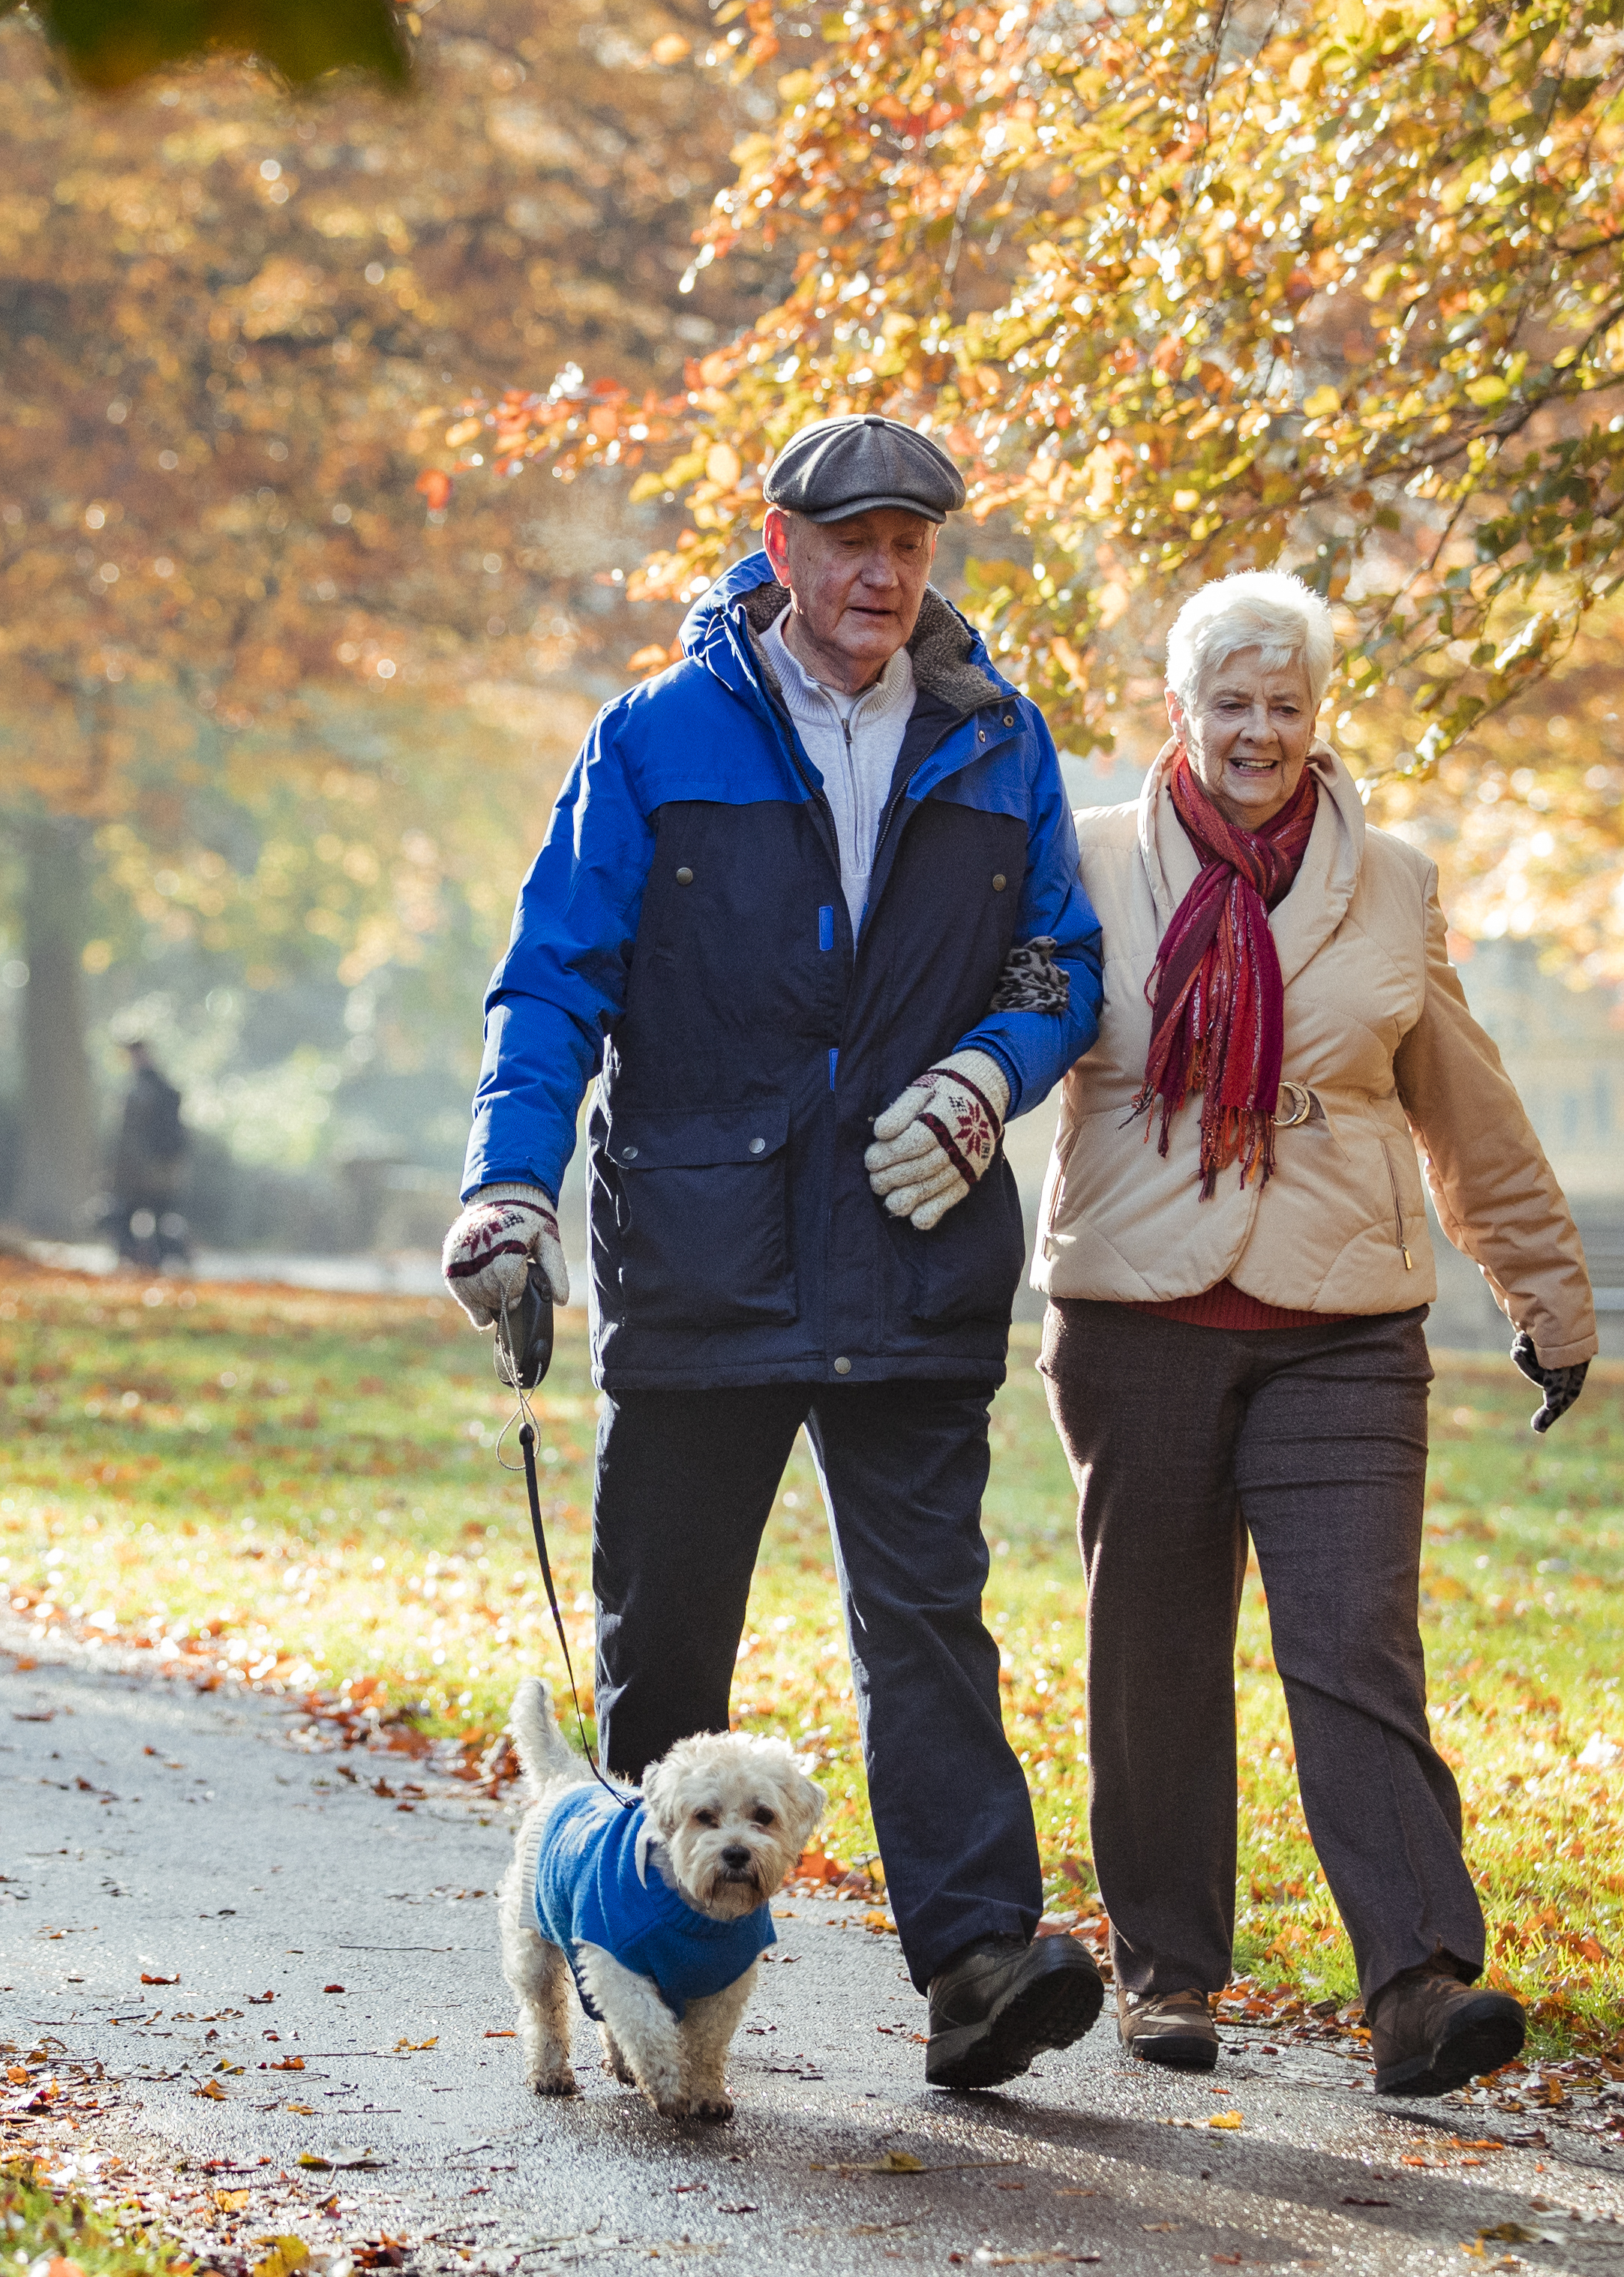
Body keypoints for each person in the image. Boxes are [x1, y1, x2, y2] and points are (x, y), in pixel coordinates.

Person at [445, 413, 1116, 2092]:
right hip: (701, 1256)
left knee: (928, 1626)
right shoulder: (654, 737)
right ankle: (632, 1951)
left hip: (908, 1249)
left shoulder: (993, 741)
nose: (882, 572)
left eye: (910, 542)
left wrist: (983, 1083)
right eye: (851, 541)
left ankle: (975, 1965)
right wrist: (504, 1189)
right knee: (662, 1642)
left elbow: (1056, 966)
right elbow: (551, 982)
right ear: (778, 544)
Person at [1030, 569, 1595, 2095]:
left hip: (1343, 1319)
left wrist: (1543, 1291)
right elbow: (1003, 1040)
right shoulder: (1081, 862)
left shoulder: (1391, 880)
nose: (1256, 730)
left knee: (1351, 1642)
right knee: (1150, 1650)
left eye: (1283, 704)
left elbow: (1462, 1105)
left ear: (1317, 716)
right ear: (1178, 710)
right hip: (1135, 1313)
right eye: (1228, 701)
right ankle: (1165, 1977)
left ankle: (1413, 1982)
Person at [110, 1038, 194, 1272]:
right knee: (156, 1218)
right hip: (160, 1171)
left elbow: (132, 1138)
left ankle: (145, 1262)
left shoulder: (144, 1091)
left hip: (146, 1173)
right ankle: (154, 1262)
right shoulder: (161, 1089)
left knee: (134, 1217)